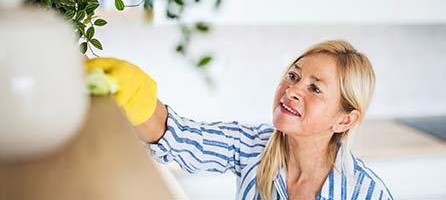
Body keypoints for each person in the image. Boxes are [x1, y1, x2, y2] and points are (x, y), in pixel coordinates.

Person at [86, 40, 393, 200]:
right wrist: (138, 97)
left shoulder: (366, 192)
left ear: (344, 120)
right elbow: (180, 137)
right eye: (293, 76)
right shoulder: (252, 147)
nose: (293, 90)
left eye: (314, 88)